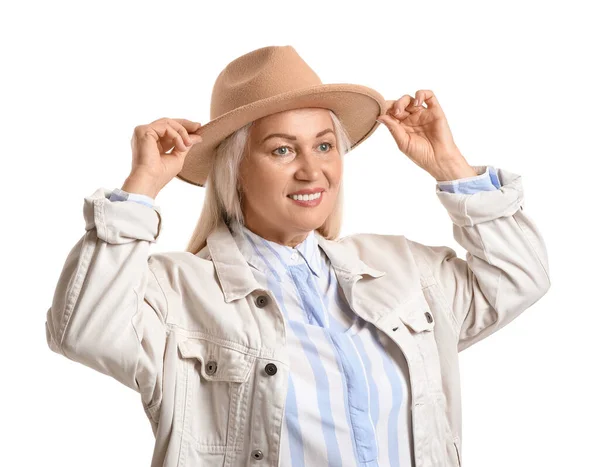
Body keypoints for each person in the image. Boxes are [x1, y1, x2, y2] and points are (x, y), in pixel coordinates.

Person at [45, 45, 551, 467]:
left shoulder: (401, 270)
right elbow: (82, 329)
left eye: (325, 145)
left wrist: (451, 167)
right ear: (235, 168)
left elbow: (519, 277)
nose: (313, 171)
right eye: (283, 150)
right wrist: (141, 190)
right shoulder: (178, 291)